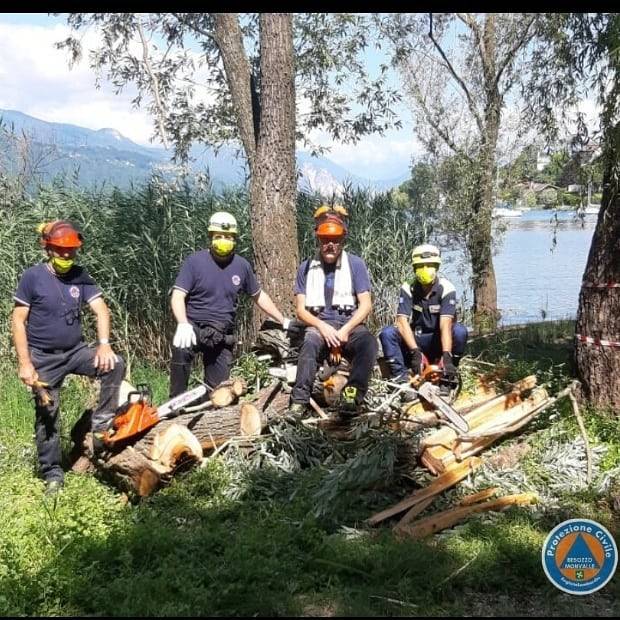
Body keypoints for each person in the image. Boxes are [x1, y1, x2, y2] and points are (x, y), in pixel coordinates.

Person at [11, 220, 125, 495]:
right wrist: (25, 363)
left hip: (75, 352)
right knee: (47, 414)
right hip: (44, 358)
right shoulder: (33, 277)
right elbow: (17, 321)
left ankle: (101, 427)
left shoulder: (80, 276)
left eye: (71, 252)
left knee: (115, 365)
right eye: (61, 251)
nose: (66, 256)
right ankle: (52, 471)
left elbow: (102, 311)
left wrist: (104, 345)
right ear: (49, 249)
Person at [169, 211, 290, 398]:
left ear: (234, 239)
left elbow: (258, 296)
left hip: (222, 334)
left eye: (228, 236)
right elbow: (178, 295)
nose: (223, 240)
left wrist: (283, 320)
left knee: (219, 392)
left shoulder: (242, 266)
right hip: (193, 328)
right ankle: (175, 404)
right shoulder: (194, 262)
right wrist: (183, 323)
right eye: (219, 236)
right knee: (181, 350)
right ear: (211, 237)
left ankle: (204, 408)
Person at [289, 208, 377, 417]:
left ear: (342, 240)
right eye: (325, 239)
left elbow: (365, 304)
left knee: (369, 343)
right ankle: (299, 401)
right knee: (309, 343)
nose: (330, 245)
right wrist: (321, 326)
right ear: (318, 240)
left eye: (335, 240)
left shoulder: (355, 265)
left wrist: (346, 329)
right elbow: (300, 309)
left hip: (349, 323)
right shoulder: (306, 267)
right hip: (319, 324)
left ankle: (352, 395)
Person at [379, 243, 468, 386]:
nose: (425, 269)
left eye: (430, 265)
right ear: (414, 268)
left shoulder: (447, 288)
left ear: (437, 267)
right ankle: (400, 378)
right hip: (416, 339)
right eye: (421, 265)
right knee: (388, 333)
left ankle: (449, 372)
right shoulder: (408, 287)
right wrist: (415, 352)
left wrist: (446, 354)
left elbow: (446, 324)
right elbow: (402, 321)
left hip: (437, 339)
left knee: (460, 331)